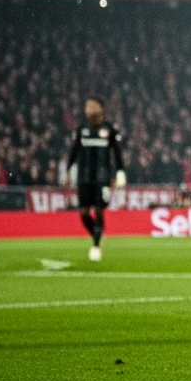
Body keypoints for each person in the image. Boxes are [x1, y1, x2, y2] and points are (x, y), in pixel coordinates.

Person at [66, 97, 125, 262]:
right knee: (84, 213)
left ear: (101, 108)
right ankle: (97, 235)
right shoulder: (81, 130)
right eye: (86, 106)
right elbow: (74, 152)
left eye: (92, 106)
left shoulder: (110, 129)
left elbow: (117, 154)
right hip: (83, 177)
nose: (88, 109)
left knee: (99, 210)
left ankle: (96, 246)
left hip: (102, 177)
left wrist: (120, 172)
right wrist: (68, 171)